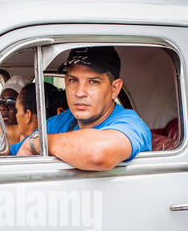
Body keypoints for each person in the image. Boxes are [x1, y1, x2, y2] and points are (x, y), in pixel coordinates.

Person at [12, 46, 152, 169]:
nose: (79, 92)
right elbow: (15, 151)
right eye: (73, 80)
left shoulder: (130, 123)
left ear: (114, 89)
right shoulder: (63, 120)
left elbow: (98, 153)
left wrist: (37, 143)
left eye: (93, 82)